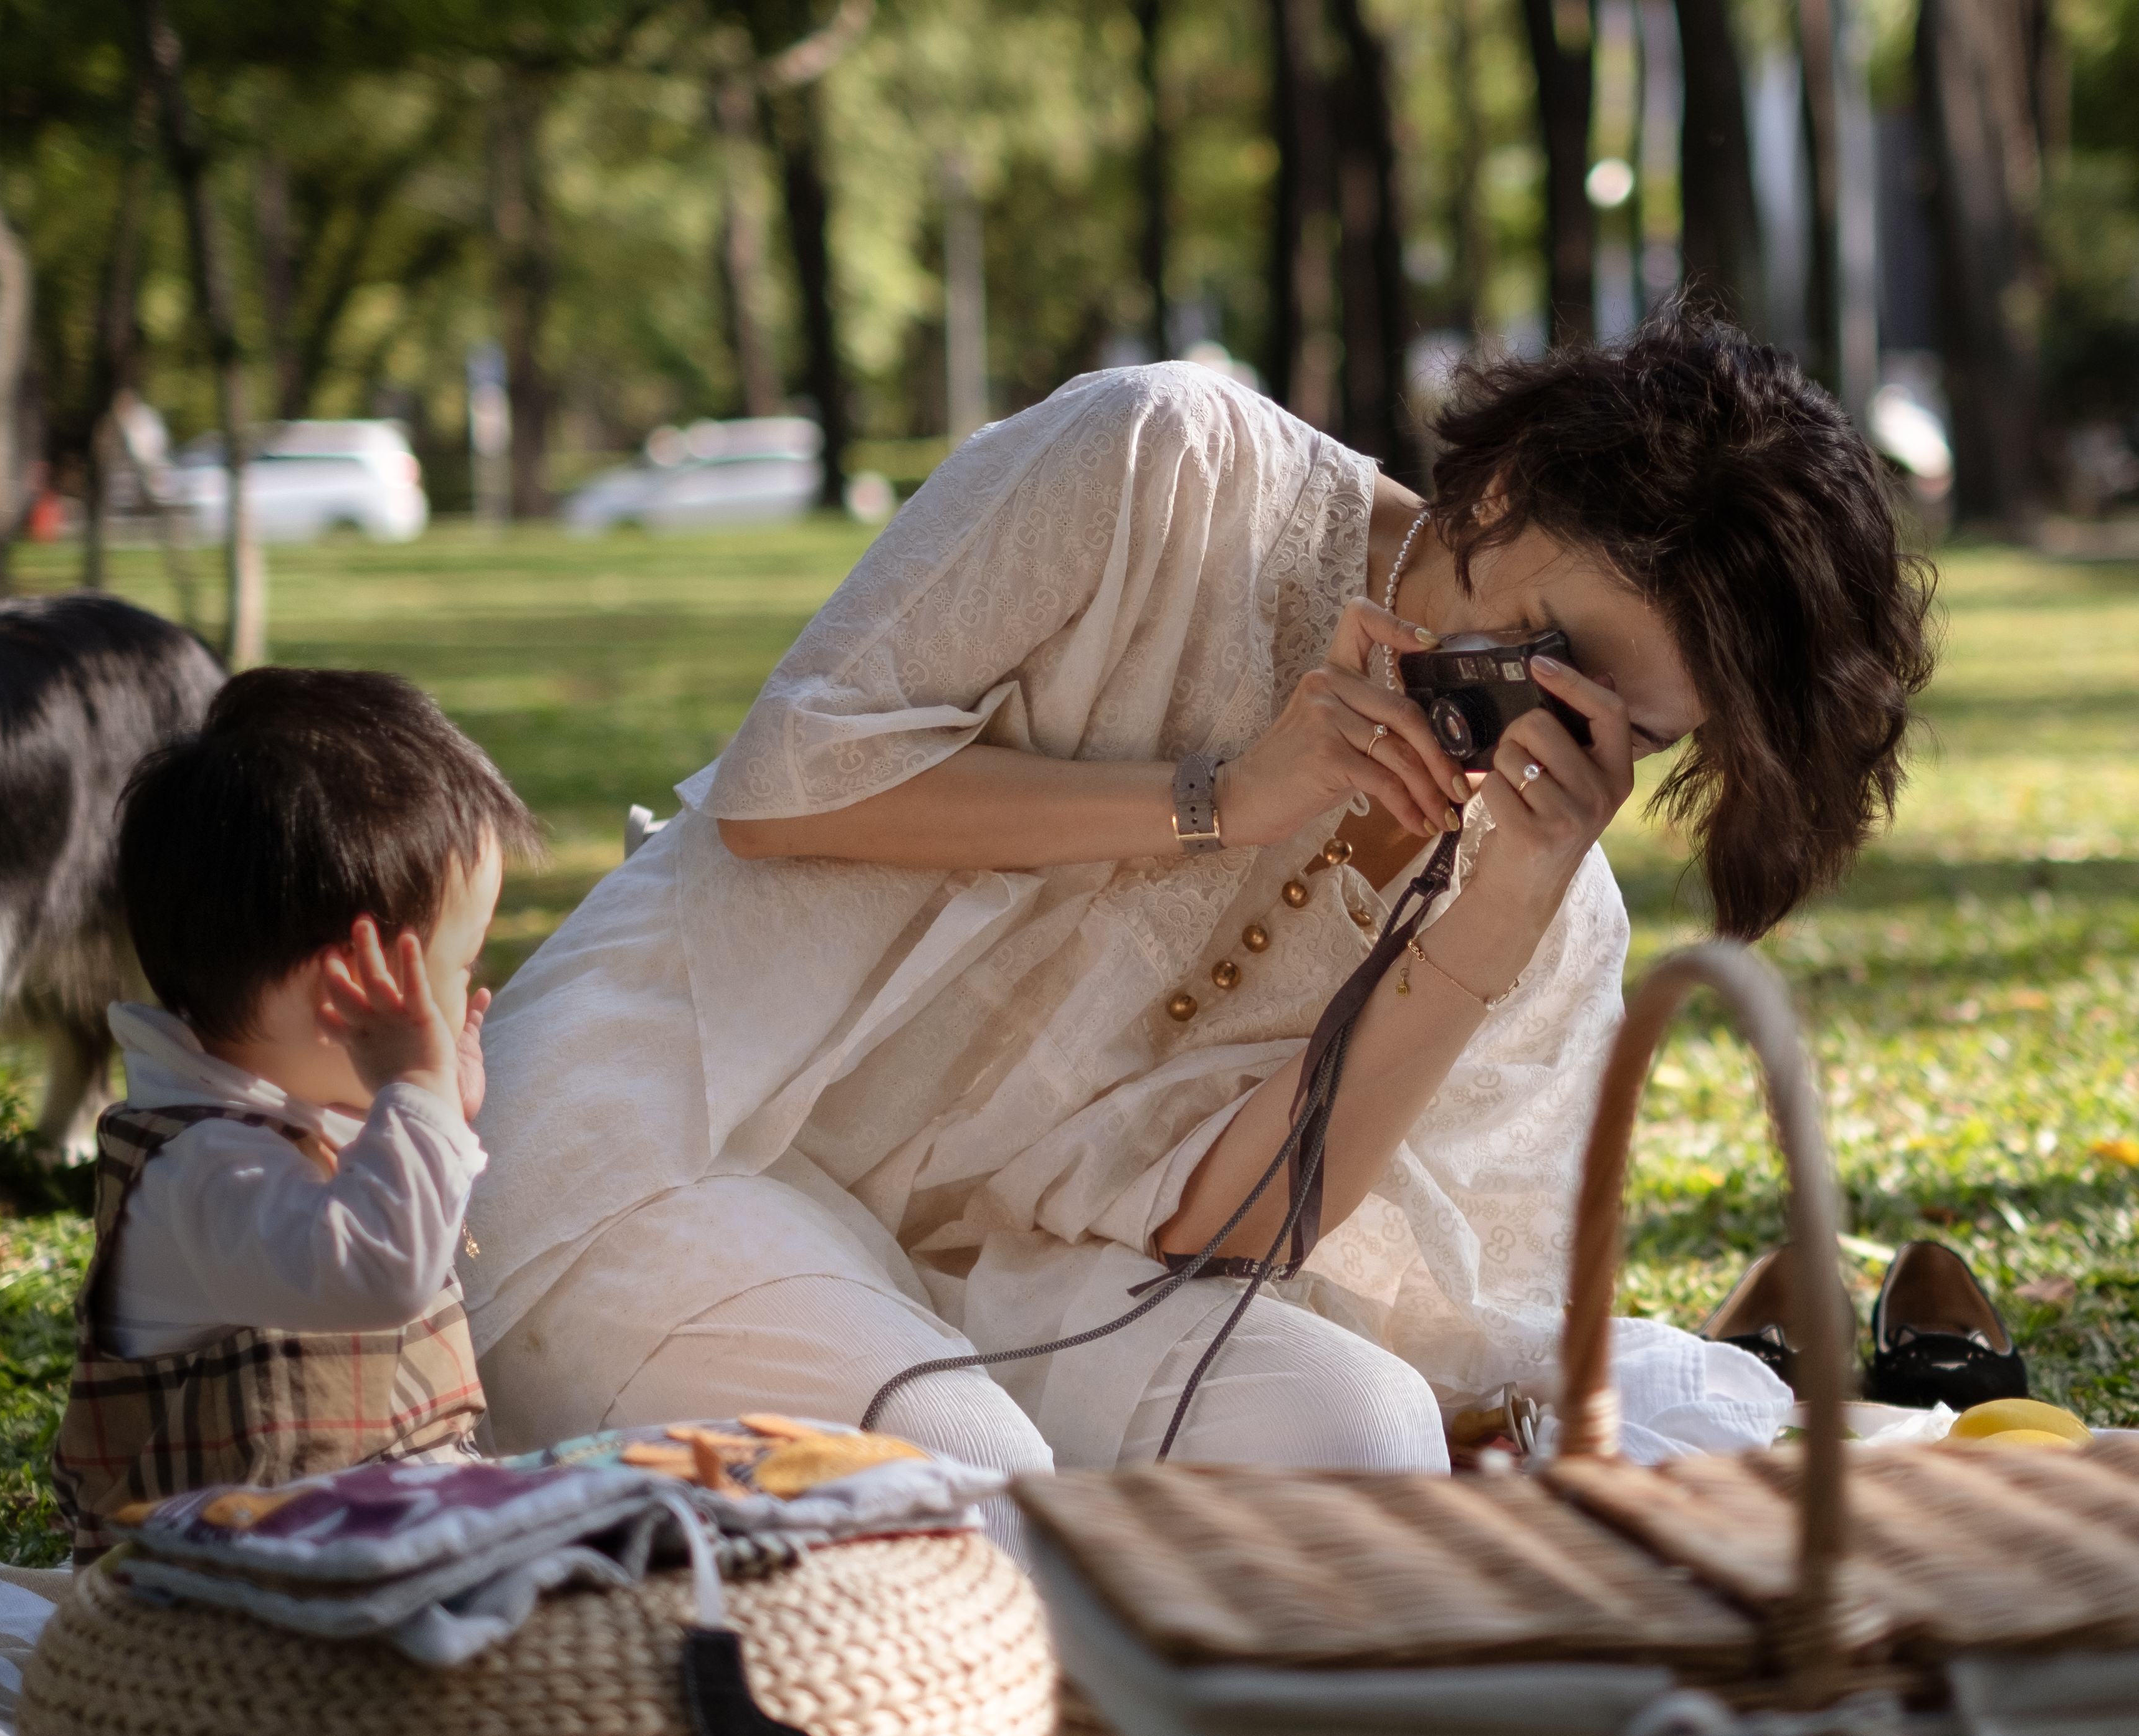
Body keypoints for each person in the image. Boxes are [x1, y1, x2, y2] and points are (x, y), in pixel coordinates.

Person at [461, 310, 1933, 1545]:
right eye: (1550, 656)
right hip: (699, 1129)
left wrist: (1484, 928)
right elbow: (788, 790)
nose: (1549, 727)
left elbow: (1220, 1232)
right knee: (953, 1486)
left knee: (1366, 1446)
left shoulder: (1540, 897)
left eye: (1634, 728)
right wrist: (1219, 797)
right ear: (1503, 496)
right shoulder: (1162, 466)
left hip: (1020, 1268)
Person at [52, 669, 538, 1562]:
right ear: (343, 1004)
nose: (468, 992)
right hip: (212, 1608)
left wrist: (437, 1114)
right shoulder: (206, 1176)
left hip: (345, 1559)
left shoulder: (287, 1112)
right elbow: (385, 1272)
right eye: (456, 968)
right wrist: (419, 1101)